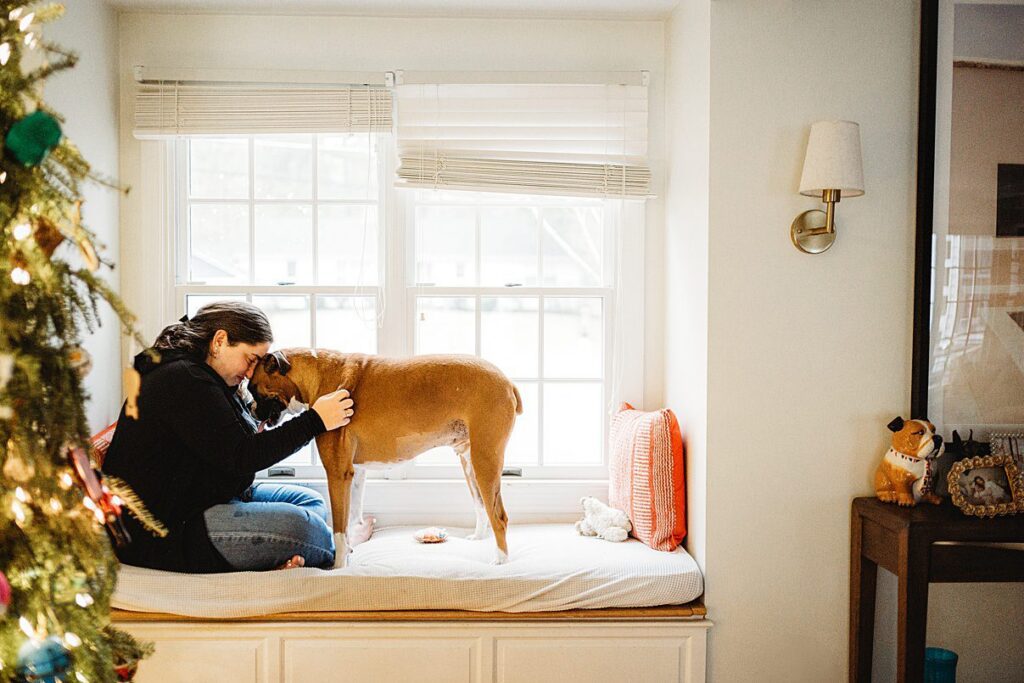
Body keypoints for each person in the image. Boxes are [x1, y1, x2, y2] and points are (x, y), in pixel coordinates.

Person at [103, 301, 354, 573]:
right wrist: (315, 421)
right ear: (219, 341)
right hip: (170, 530)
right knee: (303, 528)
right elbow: (244, 455)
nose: (250, 374)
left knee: (312, 502)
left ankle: (282, 553)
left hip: (208, 499)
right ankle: (328, 547)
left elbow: (227, 445)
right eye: (251, 360)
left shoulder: (202, 375)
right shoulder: (183, 380)